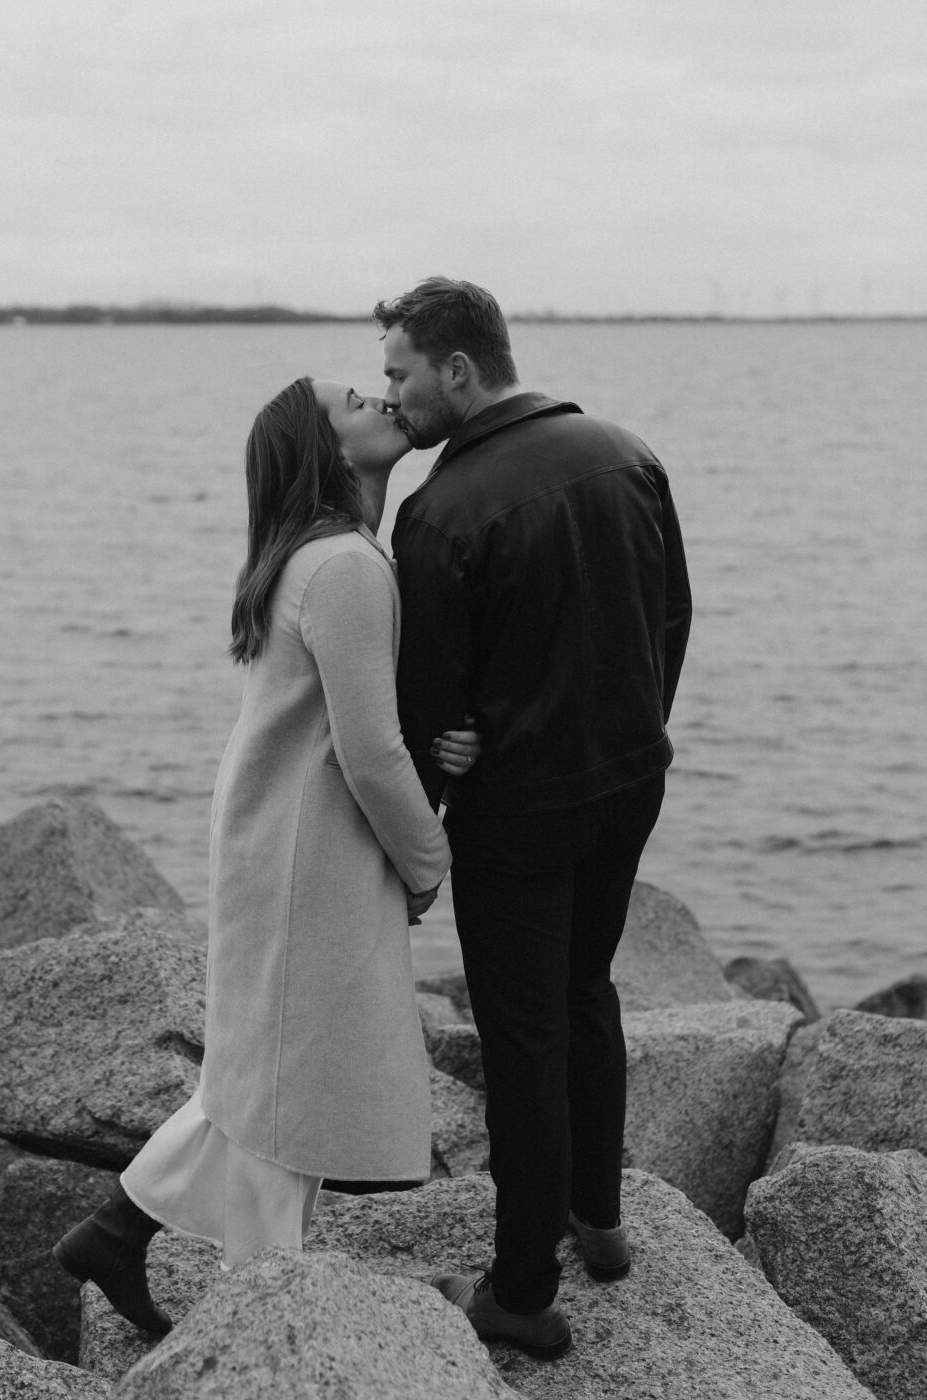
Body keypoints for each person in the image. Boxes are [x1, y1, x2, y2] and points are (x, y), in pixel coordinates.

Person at [53, 375, 478, 1334]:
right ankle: (270, 1315)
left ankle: (119, 1236)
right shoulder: (345, 567)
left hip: (277, 841)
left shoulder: (314, 557)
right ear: (328, 454)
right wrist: (429, 858)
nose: (379, 401)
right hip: (306, 855)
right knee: (287, 1085)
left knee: (264, 1074)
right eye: (354, 402)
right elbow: (370, 749)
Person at [376, 277, 692, 1361]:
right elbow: (670, 618)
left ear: (458, 370)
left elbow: (426, 703)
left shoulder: (438, 513)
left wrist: (441, 782)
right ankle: (597, 1220)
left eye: (400, 373)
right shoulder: (626, 451)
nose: (392, 396)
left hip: (518, 808)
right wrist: (632, 730)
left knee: (522, 1033)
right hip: (628, 780)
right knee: (583, 988)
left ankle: (518, 1288)